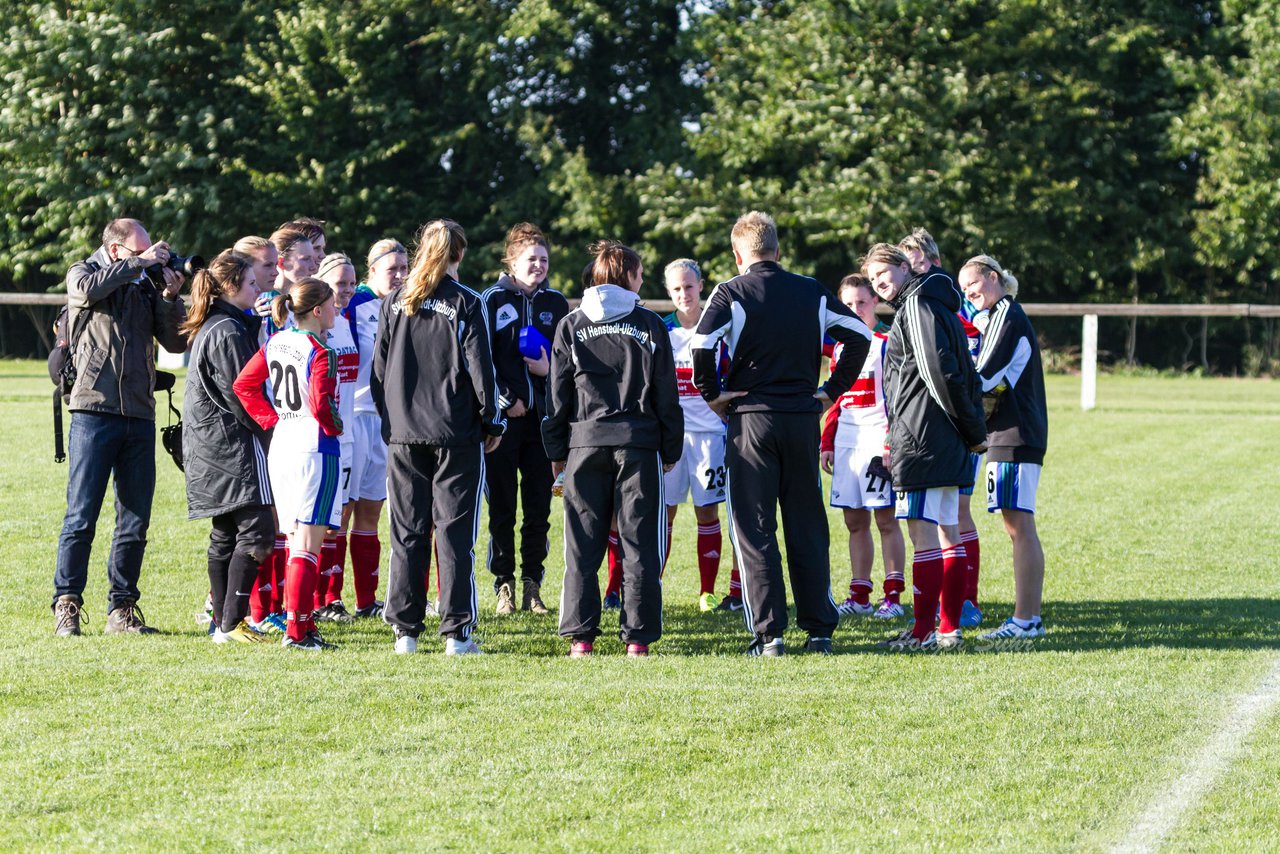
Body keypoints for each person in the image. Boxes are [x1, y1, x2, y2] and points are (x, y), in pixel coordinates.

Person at [691, 212, 872, 656]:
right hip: (801, 418)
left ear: (739, 255)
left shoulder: (731, 291)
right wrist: (830, 391)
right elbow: (860, 335)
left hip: (751, 418)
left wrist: (714, 393)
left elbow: (700, 344)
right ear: (778, 250)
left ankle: (769, 635)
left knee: (754, 528)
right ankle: (820, 631)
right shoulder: (810, 289)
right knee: (806, 523)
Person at [542, 240, 684, 658]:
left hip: (584, 446)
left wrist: (556, 450)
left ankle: (581, 639)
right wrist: (670, 448)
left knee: (582, 544)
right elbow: (666, 395)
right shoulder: (652, 324)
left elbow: (556, 397)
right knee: (639, 543)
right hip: (638, 446)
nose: (643, 281)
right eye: (639, 274)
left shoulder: (571, 324)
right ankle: (637, 639)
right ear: (627, 277)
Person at [372, 220, 505, 656]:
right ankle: (457, 633)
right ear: (458, 255)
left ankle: (405, 632)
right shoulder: (467, 301)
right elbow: (480, 367)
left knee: (406, 531)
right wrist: (493, 422)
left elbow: (379, 372)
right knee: (454, 532)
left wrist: (391, 421)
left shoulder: (395, 300)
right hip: (455, 433)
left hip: (405, 434)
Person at [52, 218, 188, 637]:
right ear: (115, 251)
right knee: (81, 515)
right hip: (93, 409)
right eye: (139, 251)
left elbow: (175, 342)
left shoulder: (145, 285)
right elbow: (87, 293)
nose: (149, 260)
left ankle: (122, 609)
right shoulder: (84, 272)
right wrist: (140, 265)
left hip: (139, 413)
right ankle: (67, 604)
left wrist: (168, 294)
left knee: (135, 518)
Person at [863, 243, 986, 652]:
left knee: (924, 536)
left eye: (885, 275)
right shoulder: (936, 303)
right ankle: (948, 630)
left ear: (904, 267)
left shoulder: (916, 307)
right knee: (948, 533)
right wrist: (968, 430)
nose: (881, 285)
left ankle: (922, 631)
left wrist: (969, 428)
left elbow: (940, 373)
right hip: (944, 438)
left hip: (924, 439)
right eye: (874, 281)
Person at [234, 278, 344, 651]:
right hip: (315, 446)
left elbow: (244, 385)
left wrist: (272, 420)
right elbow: (320, 404)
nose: (336, 309)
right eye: (331, 303)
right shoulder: (320, 350)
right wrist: (335, 426)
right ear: (316, 310)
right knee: (308, 543)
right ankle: (298, 631)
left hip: (282, 447)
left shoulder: (276, 342)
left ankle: (302, 626)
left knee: (296, 536)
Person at [180, 250, 274, 644]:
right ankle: (232, 623)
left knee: (225, 532)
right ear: (232, 286)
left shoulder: (220, 324)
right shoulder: (227, 331)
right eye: (252, 283)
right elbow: (244, 393)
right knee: (257, 532)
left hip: (210, 446)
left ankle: (223, 624)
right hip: (232, 446)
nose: (258, 289)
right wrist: (273, 432)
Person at [958, 255, 1049, 641]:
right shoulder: (996, 316)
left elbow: (985, 375)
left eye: (973, 285)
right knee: (1017, 527)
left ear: (993, 278)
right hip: (1007, 434)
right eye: (963, 290)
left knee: (1019, 527)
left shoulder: (1006, 315)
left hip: (1015, 435)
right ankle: (1027, 618)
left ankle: (1026, 620)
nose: (970, 294)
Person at [481, 223, 569, 616]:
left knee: (539, 507)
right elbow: (479, 358)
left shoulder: (557, 303)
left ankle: (533, 583)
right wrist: (505, 399)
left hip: (543, 423)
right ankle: (504, 585)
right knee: (502, 506)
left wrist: (549, 369)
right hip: (503, 422)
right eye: (531, 259)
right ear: (511, 261)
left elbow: (568, 364)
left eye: (544, 259)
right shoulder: (490, 299)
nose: (538, 265)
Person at [901, 227, 985, 626]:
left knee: (956, 516)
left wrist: (972, 419)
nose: (911, 275)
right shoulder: (925, 302)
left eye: (917, 264)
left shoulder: (950, 306)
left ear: (933, 262)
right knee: (944, 518)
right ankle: (949, 607)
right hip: (952, 423)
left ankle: (965, 600)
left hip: (956, 422)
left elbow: (965, 367)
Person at [819, 275, 907, 620]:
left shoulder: (887, 341)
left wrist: (890, 442)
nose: (855, 310)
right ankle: (859, 594)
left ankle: (894, 596)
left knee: (886, 520)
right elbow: (836, 398)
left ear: (875, 302)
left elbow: (899, 399)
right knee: (854, 522)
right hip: (846, 443)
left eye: (861, 302)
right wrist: (827, 441)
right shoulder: (840, 346)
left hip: (877, 440)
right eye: (848, 304)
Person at [661, 258, 738, 612]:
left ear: (701, 286)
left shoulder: (718, 327)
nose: (683, 294)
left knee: (708, 512)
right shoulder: (661, 330)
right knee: (666, 513)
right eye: (676, 289)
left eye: (688, 286)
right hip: (673, 438)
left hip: (710, 435)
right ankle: (654, 584)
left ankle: (707, 591)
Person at [341, 239, 409, 618]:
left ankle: (367, 600)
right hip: (353, 417)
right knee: (342, 512)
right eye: (392, 268)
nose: (400, 275)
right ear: (372, 270)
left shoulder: (404, 305)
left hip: (387, 421)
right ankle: (328, 598)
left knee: (371, 510)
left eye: (404, 267)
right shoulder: (353, 302)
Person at [313, 252, 361, 621]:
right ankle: (316, 598)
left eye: (349, 283)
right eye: (338, 283)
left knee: (339, 518)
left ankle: (331, 596)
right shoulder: (314, 324)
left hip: (348, 434)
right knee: (320, 518)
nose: (344, 290)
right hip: (320, 436)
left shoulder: (345, 322)